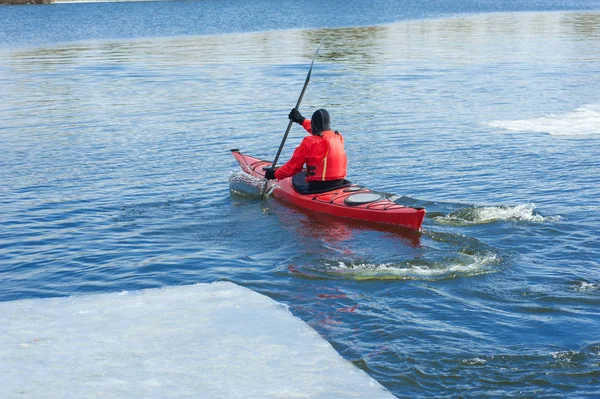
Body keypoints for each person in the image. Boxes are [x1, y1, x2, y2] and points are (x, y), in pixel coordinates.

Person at [264, 108, 348, 191]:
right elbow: (321, 133)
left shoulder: (309, 142)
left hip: (319, 187)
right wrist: (301, 120)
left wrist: (274, 174)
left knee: (300, 174)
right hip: (339, 183)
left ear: (313, 125)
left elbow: (293, 168)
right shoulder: (338, 137)